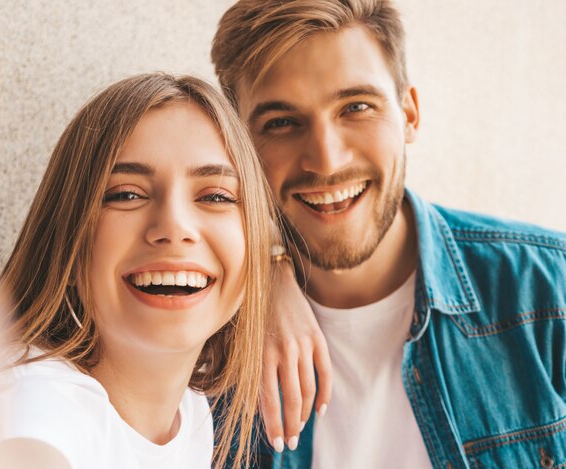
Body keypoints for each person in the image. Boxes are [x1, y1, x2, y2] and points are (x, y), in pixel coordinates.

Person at [211, 1, 566, 467]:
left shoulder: (548, 288)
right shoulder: (209, 335)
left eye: (356, 107)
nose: (327, 160)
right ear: (238, 147)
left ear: (409, 114)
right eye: (281, 123)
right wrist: (263, 276)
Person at [0, 73, 275, 469]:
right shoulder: (31, 401)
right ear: (67, 239)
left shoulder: (193, 419)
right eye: (125, 194)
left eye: (215, 196)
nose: (174, 227)